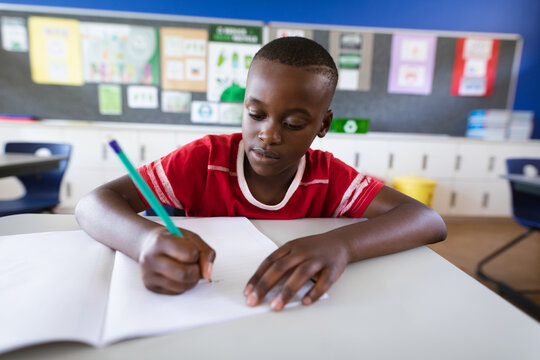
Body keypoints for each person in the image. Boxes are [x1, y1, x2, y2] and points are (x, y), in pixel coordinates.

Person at [76, 36, 447, 312]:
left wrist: (342, 244)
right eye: (256, 115)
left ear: (323, 124)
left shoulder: (327, 177)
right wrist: (143, 241)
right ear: (243, 108)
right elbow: (93, 204)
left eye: (295, 122)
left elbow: (427, 219)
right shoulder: (202, 161)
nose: (269, 134)